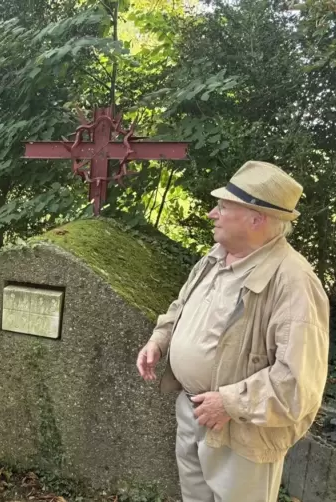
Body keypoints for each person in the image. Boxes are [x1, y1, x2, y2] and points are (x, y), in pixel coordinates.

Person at [136, 160, 330, 502]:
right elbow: (181, 306)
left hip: (242, 431)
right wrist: (160, 339)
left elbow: (299, 383)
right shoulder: (215, 256)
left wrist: (228, 402)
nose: (213, 213)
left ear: (256, 219)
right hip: (193, 410)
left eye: (224, 207)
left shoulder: (294, 282)